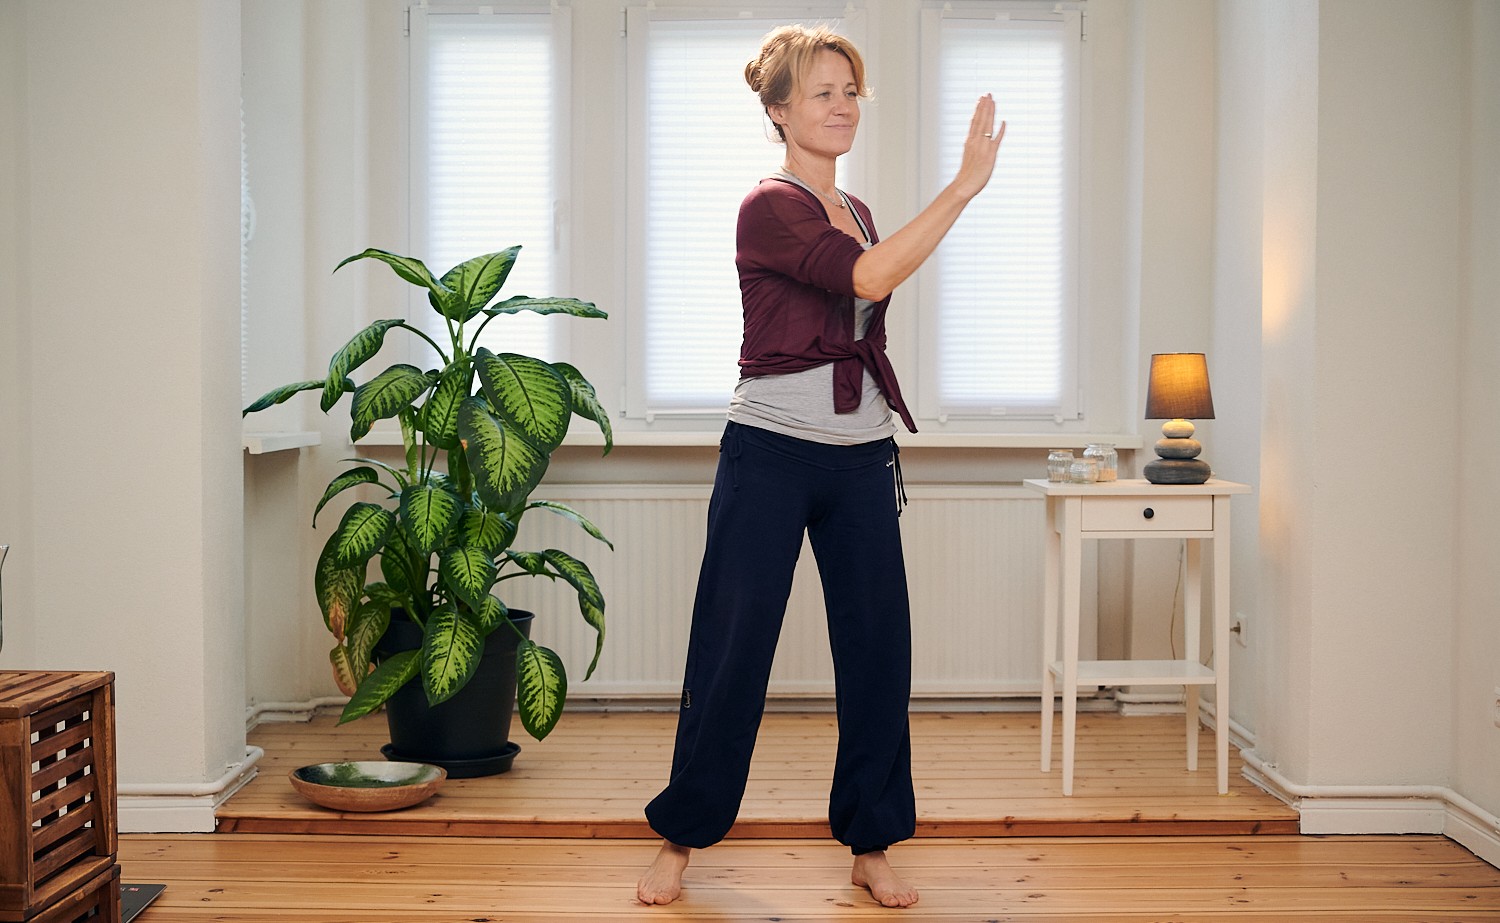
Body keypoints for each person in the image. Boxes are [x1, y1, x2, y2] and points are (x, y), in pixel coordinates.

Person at [637, 23, 1004, 909]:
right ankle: (681, 837)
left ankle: (871, 840)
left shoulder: (861, 210)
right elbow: (871, 281)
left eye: (851, 91)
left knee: (878, 652)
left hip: (860, 457)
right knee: (733, 652)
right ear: (778, 110)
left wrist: (945, 202)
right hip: (769, 455)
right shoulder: (770, 204)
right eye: (821, 92)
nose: (842, 107)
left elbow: (871, 279)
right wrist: (964, 187)